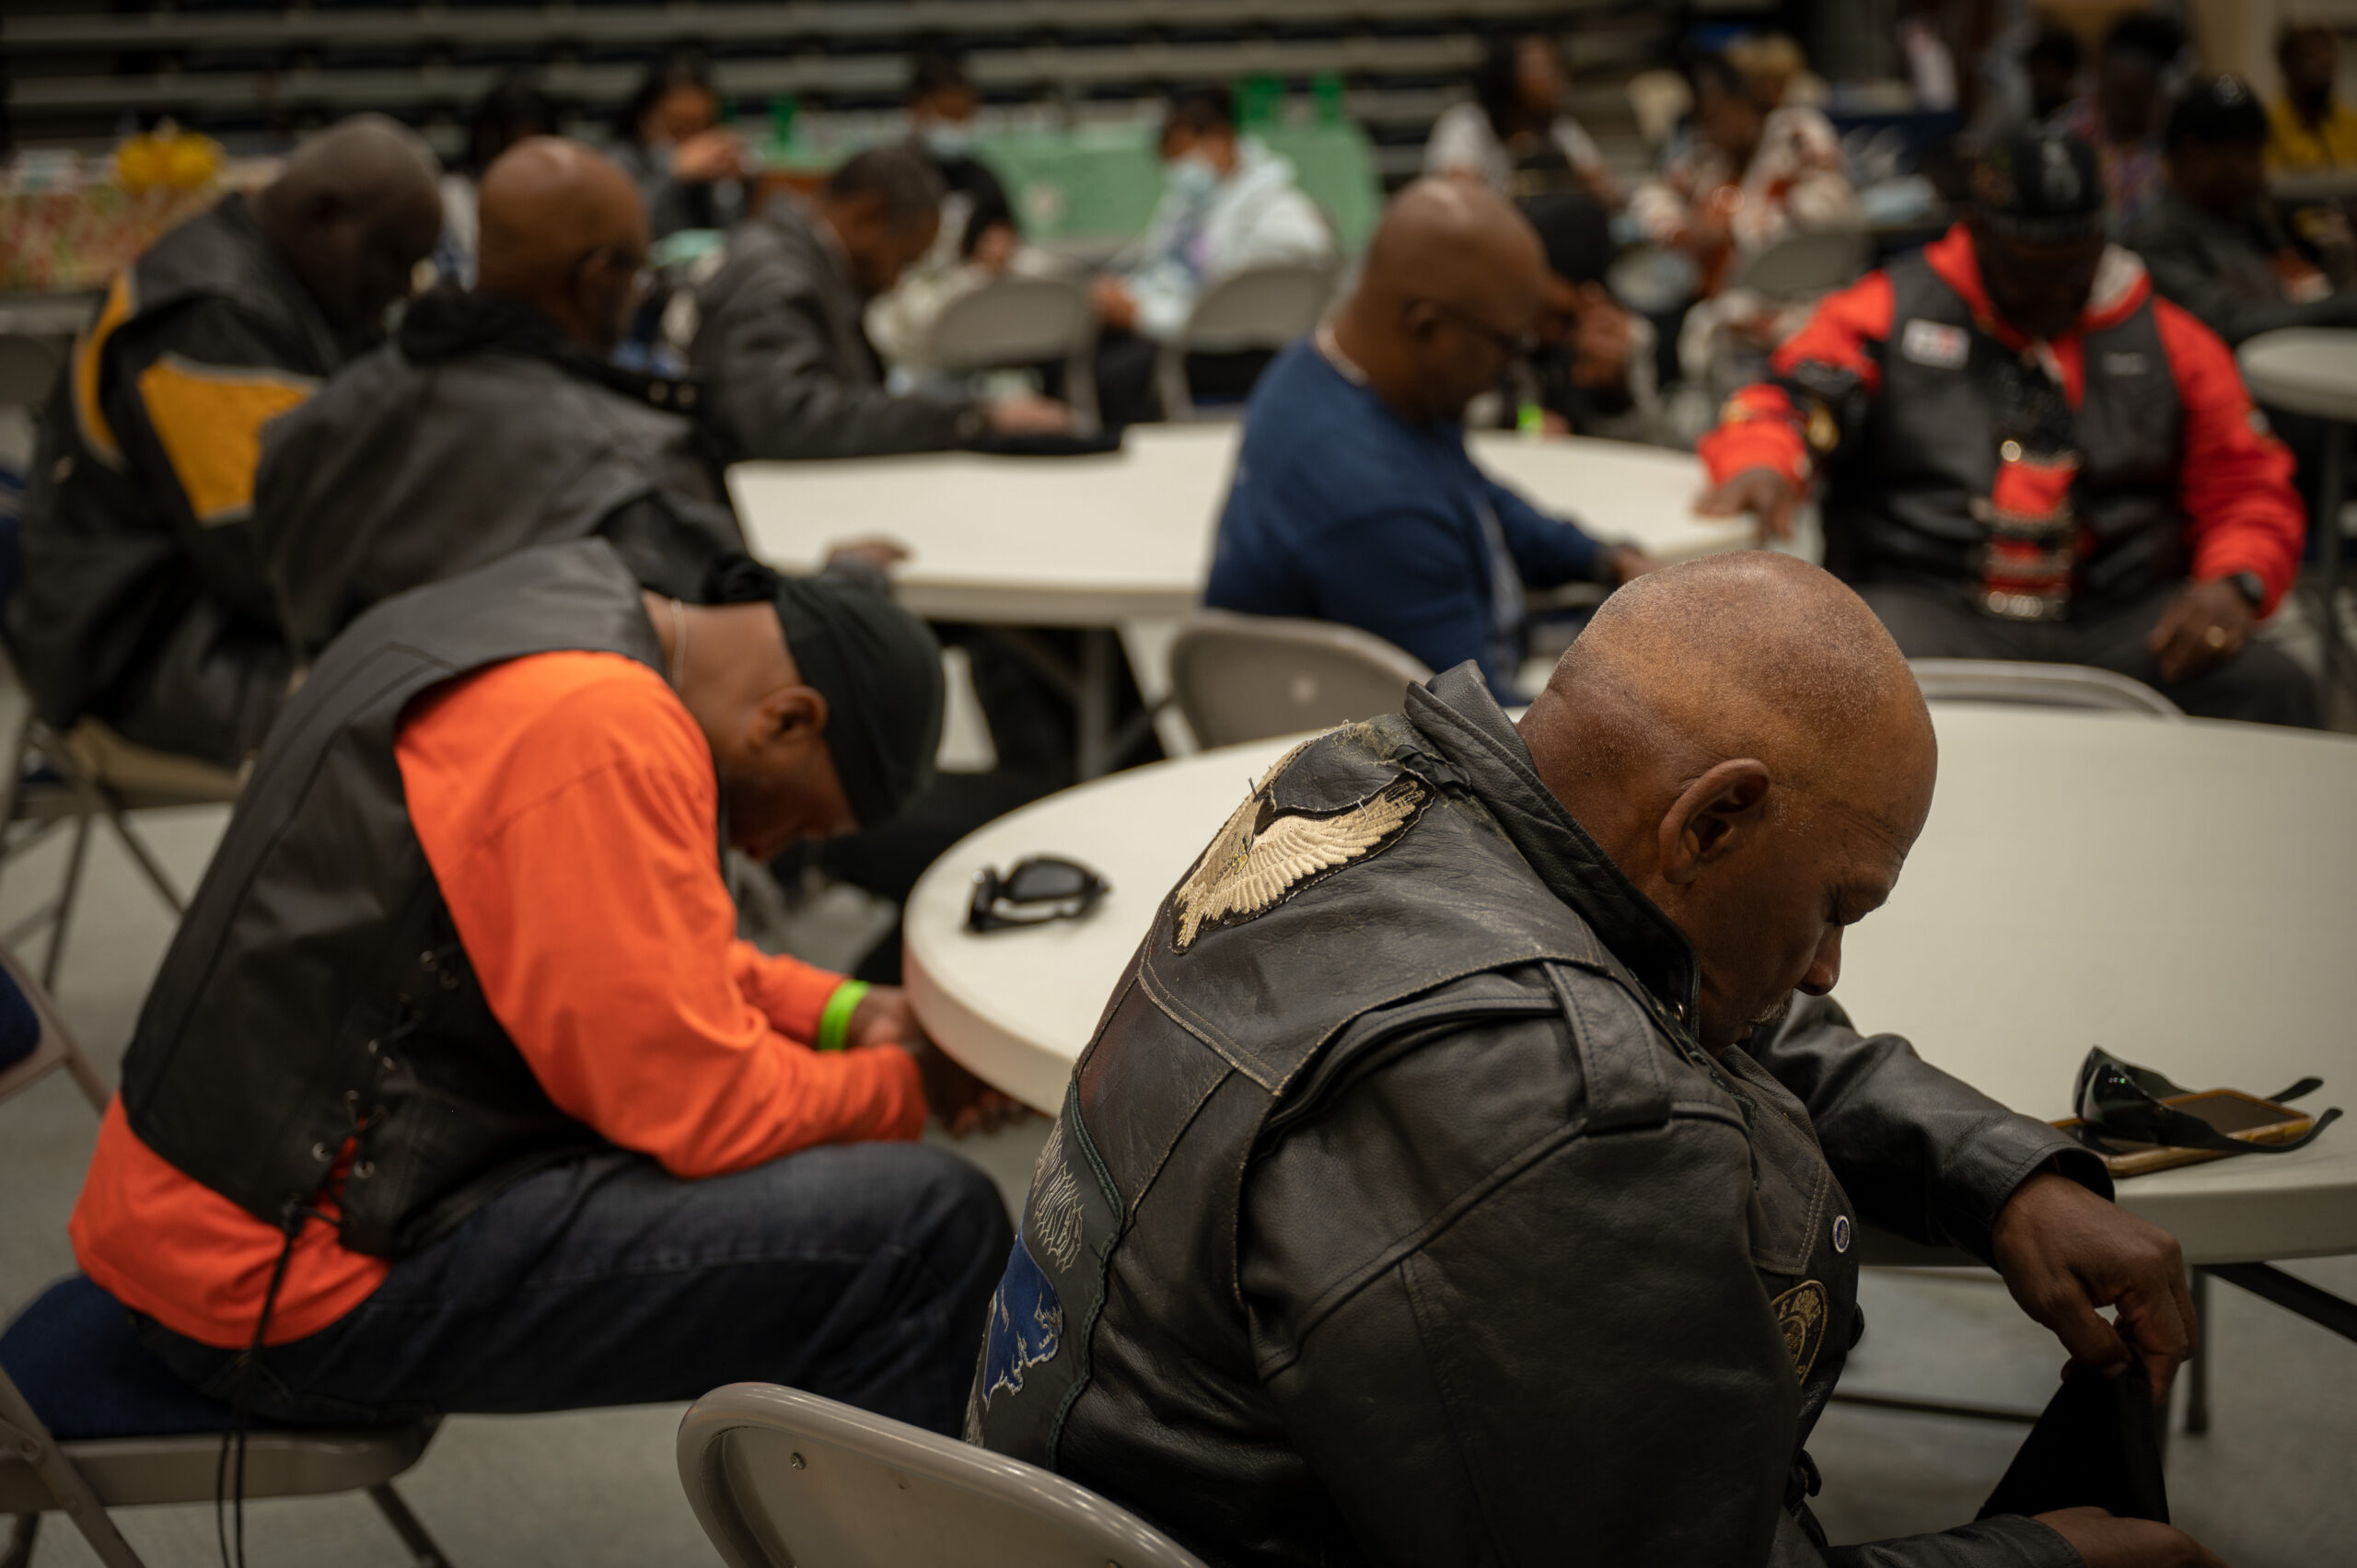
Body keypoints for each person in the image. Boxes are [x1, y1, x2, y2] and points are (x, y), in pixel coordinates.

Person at [971, 550, 2225, 1568]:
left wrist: (1997, 1167)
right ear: (1711, 819)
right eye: (1835, 905)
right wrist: (2039, 1556)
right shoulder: (1556, 1109)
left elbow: (1685, 985)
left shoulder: (1370, 787)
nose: (1832, 963)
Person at [69, 537, 1015, 1435]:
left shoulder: (544, 605)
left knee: (852, 1209)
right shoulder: (607, 733)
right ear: (786, 717)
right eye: (794, 820)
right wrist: (913, 1086)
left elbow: (627, 941)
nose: (763, 849)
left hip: (182, 1216)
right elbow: (704, 1109)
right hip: (281, 1287)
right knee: (927, 1235)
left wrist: (843, 1012)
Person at [1696, 132, 2313, 727]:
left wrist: (2236, 580)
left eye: (2074, 270)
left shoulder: (2176, 342)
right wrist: (1764, 462)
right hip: (1925, 604)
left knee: (2275, 686)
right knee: (1807, 671)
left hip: (2118, 619)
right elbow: (1786, 399)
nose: (2053, 292)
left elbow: (2248, 483)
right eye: (2028, 269)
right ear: (1980, 233)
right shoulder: (1885, 308)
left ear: (2101, 241)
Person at [6, 115, 443, 770]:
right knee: (437, 721)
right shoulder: (212, 316)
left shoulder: (272, 275)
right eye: (393, 259)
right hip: (141, 658)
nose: (400, 291)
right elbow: (280, 571)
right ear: (325, 216)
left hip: (195, 617)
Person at [254, 137, 744, 662]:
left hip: (342, 727)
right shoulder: (641, 466)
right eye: (635, 274)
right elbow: (731, 665)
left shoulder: (315, 422)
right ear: (597, 279)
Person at [1204, 180, 1654, 702]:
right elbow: (1487, 747)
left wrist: (1606, 559)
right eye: (1509, 343)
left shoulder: (1321, 373)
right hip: (1411, 758)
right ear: (1426, 327)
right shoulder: (1378, 505)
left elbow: (1475, 494)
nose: (1513, 365)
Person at [692, 145, 1070, 459]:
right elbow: (786, 421)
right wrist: (969, 418)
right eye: (903, 260)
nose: (894, 282)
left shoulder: (802, 267)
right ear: (867, 216)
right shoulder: (776, 278)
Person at [1090, 88, 1333, 424]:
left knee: (1115, 379)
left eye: (1182, 155)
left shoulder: (1281, 217)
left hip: (1236, 351)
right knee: (1085, 347)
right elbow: (1164, 269)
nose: (1178, 170)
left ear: (1219, 140)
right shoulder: (1189, 203)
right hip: (1187, 332)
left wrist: (1144, 315)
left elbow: (1233, 308)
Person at [2127, 75, 2357, 346]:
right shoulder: (2156, 238)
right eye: (2249, 153)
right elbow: (2232, 322)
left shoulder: (2241, 212)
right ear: (2195, 155)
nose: (2261, 168)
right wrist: (2346, 306)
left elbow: (2302, 284)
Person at [1629, 52, 1858, 301]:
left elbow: (1831, 210)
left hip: (1803, 291)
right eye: (1704, 121)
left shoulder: (1797, 134)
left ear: (1744, 101)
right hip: (1725, 296)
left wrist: (1735, 226)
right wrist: (1680, 231)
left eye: (1718, 116)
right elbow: (1652, 191)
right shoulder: (1707, 153)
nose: (1711, 131)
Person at [865, 49, 1027, 375]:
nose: (957, 125)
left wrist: (1000, 245)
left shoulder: (981, 176)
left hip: (969, 305)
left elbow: (1007, 231)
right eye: (948, 114)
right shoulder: (887, 174)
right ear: (918, 110)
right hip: (902, 304)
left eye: (965, 114)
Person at [1482, 191, 1656, 440]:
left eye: (1563, 318)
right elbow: (1472, 415)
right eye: (1538, 308)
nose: (1548, 330)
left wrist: (1614, 393)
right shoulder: (1497, 325)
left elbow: (1649, 445)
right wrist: (1523, 419)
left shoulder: (1625, 337)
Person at [1422, 31, 1620, 206]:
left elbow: (1605, 191)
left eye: (1557, 68)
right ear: (1507, 74)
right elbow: (1461, 199)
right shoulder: (1467, 124)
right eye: (1542, 68)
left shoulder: (1559, 127)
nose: (1556, 79)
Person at [2058, 13, 2181, 231]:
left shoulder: (2166, 148)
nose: (2123, 107)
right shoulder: (2074, 130)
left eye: (2134, 96)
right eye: (2116, 93)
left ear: (2153, 95)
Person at [435, 73, 561, 285]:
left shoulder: (559, 200)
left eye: (537, 144)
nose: (527, 158)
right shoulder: (454, 197)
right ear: (489, 142)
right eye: (517, 143)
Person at [610, 56, 745, 240]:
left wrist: (736, 185)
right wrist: (673, 174)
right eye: (680, 128)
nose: (693, 141)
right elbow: (630, 228)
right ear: (646, 121)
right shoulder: (620, 162)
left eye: (702, 126)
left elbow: (733, 232)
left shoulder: (714, 163)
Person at [2268, 22, 2357, 171]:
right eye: (2312, 59)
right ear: (2287, 65)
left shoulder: (2351, 122)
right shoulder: (2270, 125)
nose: (2322, 72)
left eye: (2328, 62)